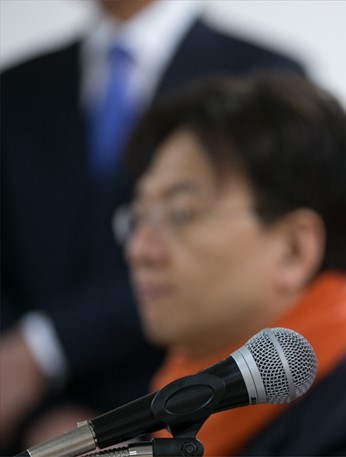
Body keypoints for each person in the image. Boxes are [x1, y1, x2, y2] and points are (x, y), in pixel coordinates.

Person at [0, 0, 302, 453]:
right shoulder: (17, 86)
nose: (139, 247)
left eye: (181, 212)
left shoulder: (265, 76)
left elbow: (241, 262)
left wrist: (46, 345)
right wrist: (44, 415)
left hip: (199, 418)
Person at [119, 72, 346, 456]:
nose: (140, 250)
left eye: (181, 214)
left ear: (294, 249)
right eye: (139, 216)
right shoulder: (165, 411)